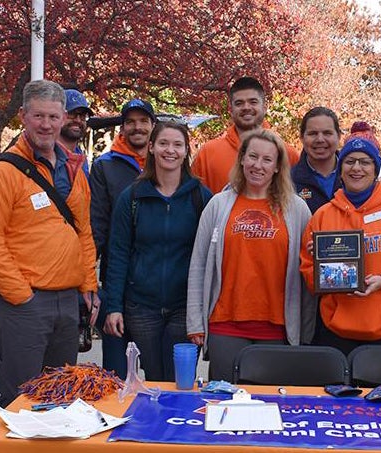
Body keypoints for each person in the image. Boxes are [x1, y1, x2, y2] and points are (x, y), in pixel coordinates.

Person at [0, 80, 99, 408]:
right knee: (21, 399)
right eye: (38, 116)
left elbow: (83, 231)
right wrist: (20, 295)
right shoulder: (0, 174)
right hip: (25, 303)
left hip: (68, 302)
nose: (46, 124)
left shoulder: (73, 171)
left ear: (63, 118)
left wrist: (87, 283)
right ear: (23, 117)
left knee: (62, 396)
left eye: (53, 117)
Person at [187, 129, 313, 380]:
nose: (258, 165)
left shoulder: (297, 208)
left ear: (278, 167)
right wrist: (195, 322)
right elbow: (199, 264)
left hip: (278, 328)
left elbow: (307, 269)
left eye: (267, 159)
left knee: (272, 407)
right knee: (225, 404)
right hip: (225, 324)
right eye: (252, 156)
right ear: (242, 159)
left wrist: (306, 331)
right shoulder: (219, 204)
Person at [300, 133, 381, 355]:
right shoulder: (322, 216)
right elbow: (308, 274)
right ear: (341, 170)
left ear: (376, 169)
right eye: (350, 162)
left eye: (365, 162)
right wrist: (321, 266)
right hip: (336, 332)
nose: (356, 168)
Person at [103, 121, 212, 381]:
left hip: (185, 307)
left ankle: (178, 422)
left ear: (187, 150)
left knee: (179, 379)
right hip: (142, 307)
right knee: (153, 378)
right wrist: (114, 306)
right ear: (151, 147)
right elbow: (118, 255)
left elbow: (212, 256)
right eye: (163, 143)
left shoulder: (201, 197)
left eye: (177, 145)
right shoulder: (131, 198)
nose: (170, 150)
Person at [90, 97, 155, 377]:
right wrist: (90, 282)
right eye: (130, 122)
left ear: (153, 126)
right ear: (123, 127)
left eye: (143, 121)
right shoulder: (106, 166)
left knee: (160, 377)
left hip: (158, 287)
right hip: (118, 283)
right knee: (115, 375)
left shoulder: (166, 161)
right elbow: (97, 227)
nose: (137, 127)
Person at [191, 76, 300, 194]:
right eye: (239, 103)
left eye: (253, 102)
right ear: (231, 110)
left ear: (264, 107)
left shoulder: (287, 154)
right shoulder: (208, 153)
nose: (246, 107)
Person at [291, 106, 342, 213]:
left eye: (327, 133)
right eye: (312, 133)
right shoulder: (288, 181)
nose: (320, 139)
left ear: (338, 136)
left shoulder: (356, 176)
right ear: (301, 137)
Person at [59, 89, 93, 165]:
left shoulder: (81, 159)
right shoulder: (47, 157)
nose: (78, 120)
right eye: (71, 114)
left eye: (82, 116)